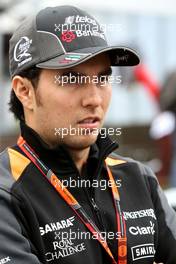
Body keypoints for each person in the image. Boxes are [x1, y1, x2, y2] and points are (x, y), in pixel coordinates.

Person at [0, 5, 176, 264]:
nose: (94, 99)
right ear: (25, 91)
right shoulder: (6, 193)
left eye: (103, 78)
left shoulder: (139, 179)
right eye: (72, 79)